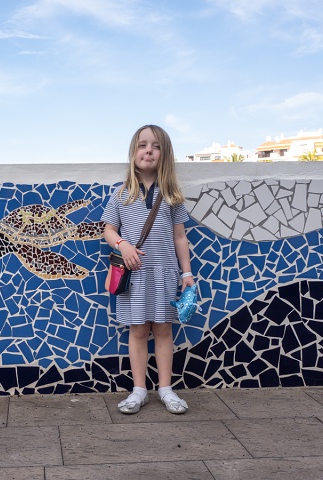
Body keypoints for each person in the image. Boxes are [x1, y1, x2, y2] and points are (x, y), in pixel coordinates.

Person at [101, 124, 194, 414]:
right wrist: (123, 245)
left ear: (165, 154)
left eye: (155, 146)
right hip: (134, 276)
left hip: (164, 273)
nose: (148, 151)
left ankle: (166, 388)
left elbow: (180, 236)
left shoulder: (171, 195)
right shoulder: (121, 194)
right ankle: (139, 390)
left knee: (164, 330)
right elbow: (108, 229)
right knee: (138, 330)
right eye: (142, 145)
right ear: (134, 152)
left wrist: (186, 273)